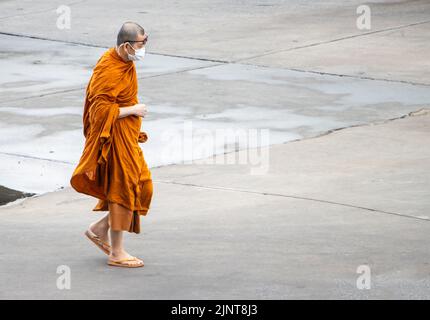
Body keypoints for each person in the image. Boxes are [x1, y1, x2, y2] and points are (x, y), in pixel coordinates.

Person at [70, 21, 152, 268]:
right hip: (112, 138)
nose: (144, 48)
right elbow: (99, 112)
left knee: (142, 185)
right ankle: (117, 252)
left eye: (146, 42)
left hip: (126, 136)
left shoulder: (126, 62)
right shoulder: (108, 68)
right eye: (141, 44)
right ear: (127, 46)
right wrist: (133, 110)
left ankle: (99, 228)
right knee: (122, 189)